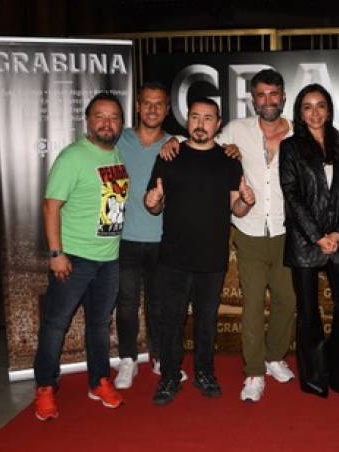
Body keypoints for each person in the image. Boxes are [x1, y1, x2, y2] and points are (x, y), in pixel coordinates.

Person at [160, 69, 297, 403]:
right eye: (261, 94)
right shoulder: (236, 130)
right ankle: (254, 372)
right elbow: (200, 139)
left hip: (287, 229)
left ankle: (274, 356)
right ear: (253, 99)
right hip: (249, 229)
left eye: (274, 94)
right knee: (253, 305)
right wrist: (171, 140)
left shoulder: (299, 132)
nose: (268, 100)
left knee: (287, 301)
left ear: (283, 97)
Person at [145, 98, 255, 406]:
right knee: (171, 322)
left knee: (207, 322)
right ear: (187, 120)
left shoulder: (229, 159)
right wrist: (152, 202)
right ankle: (169, 376)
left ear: (217, 124)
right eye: (195, 117)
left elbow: (237, 209)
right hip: (173, 257)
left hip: (212, 258)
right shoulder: (169, 155)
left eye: (208, 118)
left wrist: (246, 201)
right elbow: (154, 203)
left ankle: (205, 373)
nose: (201, 123)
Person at [33, 92, 128, 421]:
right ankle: (45, 387)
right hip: (74, 258)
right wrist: (56, 253)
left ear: (121, 123)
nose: (107, 123)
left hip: (109, 258)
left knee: (99, 324)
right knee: (56, 324)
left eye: (113, 117)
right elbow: (51, 206)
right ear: (88, 121)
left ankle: (99, 381)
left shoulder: (116, 153)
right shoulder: (72, 157)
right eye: (100, 116)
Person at [279, 83, 339, 398]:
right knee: (309, 312)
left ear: (329, 110)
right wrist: (317, 236)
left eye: (320, 105)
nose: (315, 112)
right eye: (307, 106)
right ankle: (313, 377)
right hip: (305, 241)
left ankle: (333, 369)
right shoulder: (290, 147)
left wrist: (338, 232)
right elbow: (292, 194)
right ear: (300, 113)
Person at [114, 82, 181, 389]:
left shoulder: (176, 145)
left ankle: (160, 359)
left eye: (159, 104)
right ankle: (128, 359)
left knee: (159, 305)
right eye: (147, 103)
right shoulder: (118, 139)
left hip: (162, 240)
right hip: (123, 238)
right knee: (127, 303)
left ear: (167, 110)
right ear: (138, 106)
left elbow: (211, 147)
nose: (153, 109)